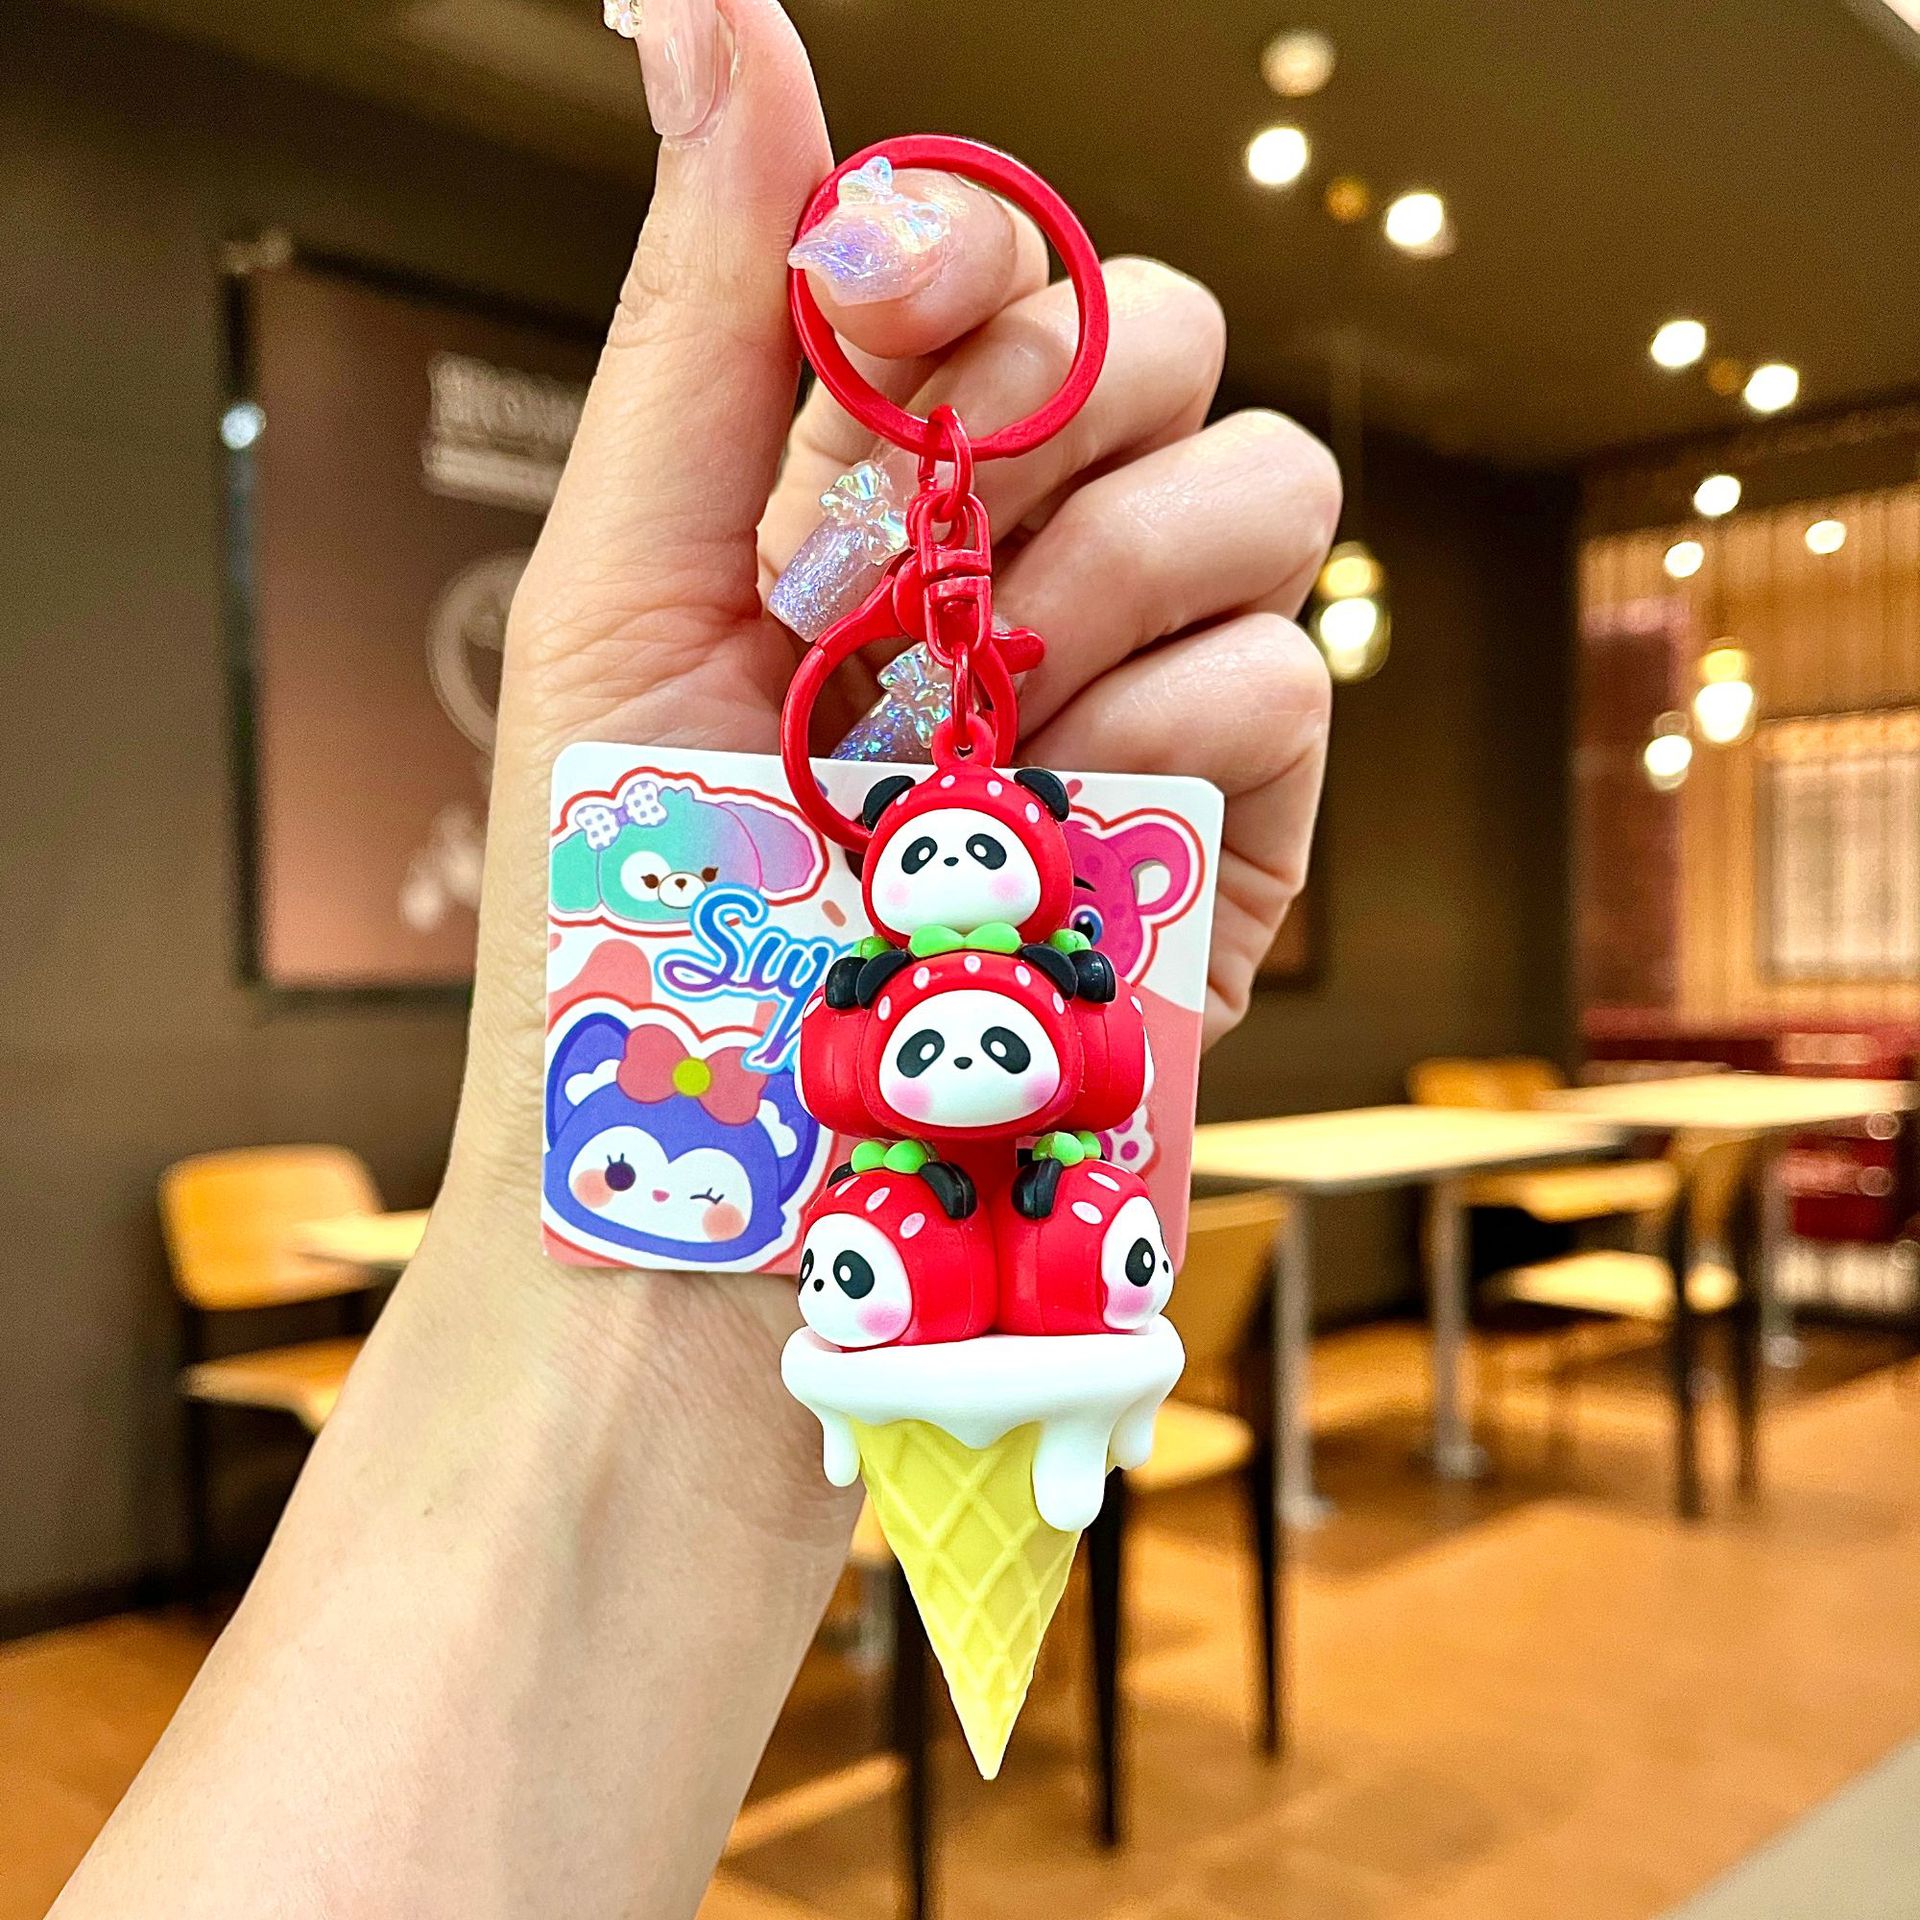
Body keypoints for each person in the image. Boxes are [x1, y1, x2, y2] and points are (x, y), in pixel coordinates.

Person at [52, 3, 1337, 1913]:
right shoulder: (874, 990)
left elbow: (1001, 1078)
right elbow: (840, 1067)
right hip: (900, 1244)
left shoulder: (1041, 993)